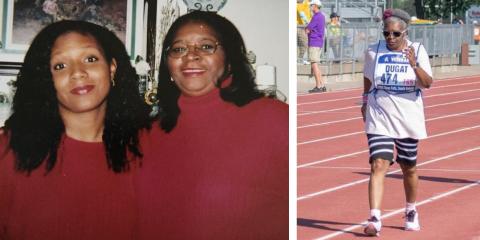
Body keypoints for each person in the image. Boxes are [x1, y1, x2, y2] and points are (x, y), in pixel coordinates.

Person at [135, 11, 288, 239]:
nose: (191, 56)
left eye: (206, 47)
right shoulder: (146, 134)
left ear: (229, 61)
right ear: (167, 65)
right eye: (178, 49)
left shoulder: (274, 119)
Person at [0, 20, 151, 239]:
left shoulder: (146, 147)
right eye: (60, 66)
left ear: (112, 68)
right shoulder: (8, 151)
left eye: (90, 59)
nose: (78, 73)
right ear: (48, 80)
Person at [361, 9, 433, 236]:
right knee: (378, 164)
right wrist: (364, 101)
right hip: (379, 114)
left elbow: (427, 83)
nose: (390, 38)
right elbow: (367, 77)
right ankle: (374, 218)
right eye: (386, 34)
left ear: (405, 33)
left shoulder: (418, 50)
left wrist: (414, 64)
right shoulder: (373, 51)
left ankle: (411, 210)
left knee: (408, 167)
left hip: (408, 117)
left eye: (395, 34)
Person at [306, 0, 326, 93]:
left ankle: (318, 85)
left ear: (315, 6)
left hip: (314, 42)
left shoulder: (316, 16)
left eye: (311, 5)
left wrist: (307, 29)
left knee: (314, 64)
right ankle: (322, 85)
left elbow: (308, 29)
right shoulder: (321, 16)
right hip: (319, 42)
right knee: (316, 64)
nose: (310, 7)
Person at [297, 0, 311, 64]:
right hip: (298, 26)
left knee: (304, 44)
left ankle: (300, 59)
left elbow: (308, 15)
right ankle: (298, 59)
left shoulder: (307, 4)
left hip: (304, 27)